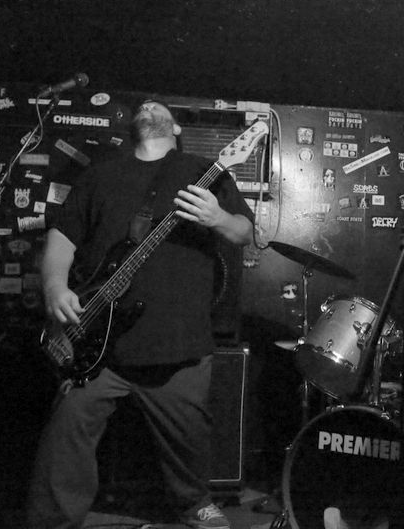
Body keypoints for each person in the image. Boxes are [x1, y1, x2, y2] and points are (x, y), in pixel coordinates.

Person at [26, 99, 255, 529]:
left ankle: (194, 503)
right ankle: (53, 519)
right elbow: (62, 237)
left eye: (159, 106)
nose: (149, 105)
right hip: (98, 340)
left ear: (177, 129)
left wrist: (218, 217)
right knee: (66, 433)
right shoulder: (100, 174)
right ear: (132, 125)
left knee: (189, 440)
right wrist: (55, 287)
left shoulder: (204, 170)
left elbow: (245, 231)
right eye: (144, 105)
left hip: (178, 340)